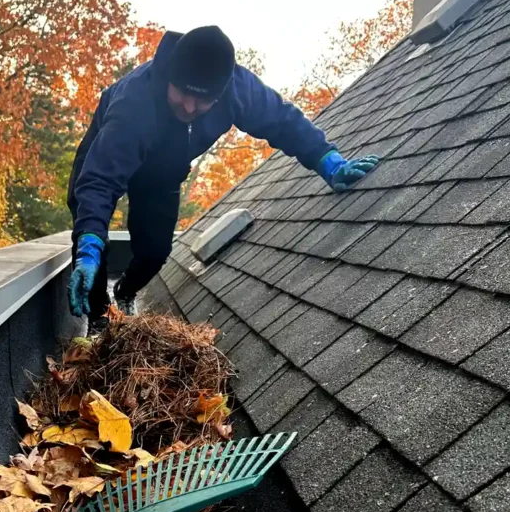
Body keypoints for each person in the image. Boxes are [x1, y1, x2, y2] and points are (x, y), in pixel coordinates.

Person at [67, 26, 378, 328]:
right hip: (104, 154)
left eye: (201, 101)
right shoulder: (134, 102)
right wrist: (89, 245)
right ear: (169, 77)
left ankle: (125, 291)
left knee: (156, 251)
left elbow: (283, 121)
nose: (189, 106)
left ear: (221, 92)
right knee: (90, 235)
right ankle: (98, 317)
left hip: (163, 171)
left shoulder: (237, 89)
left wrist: (328, 161)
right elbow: (100, 180)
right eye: (182, 94)